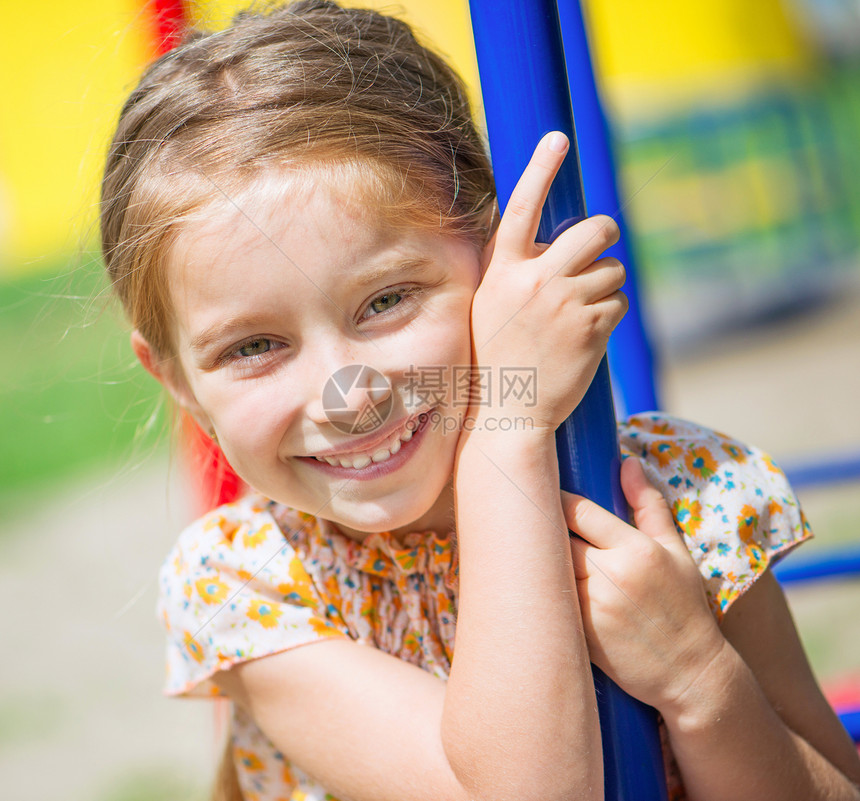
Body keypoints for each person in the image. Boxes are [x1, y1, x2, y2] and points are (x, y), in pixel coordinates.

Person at [99, 2, 860, 800]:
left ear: (499, 257)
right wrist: (508, 424)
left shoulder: (676, 493)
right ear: (178, 378)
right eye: (254, 346)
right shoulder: (247, 583)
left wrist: (702, 681)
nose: (348, 394)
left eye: (386, 300)